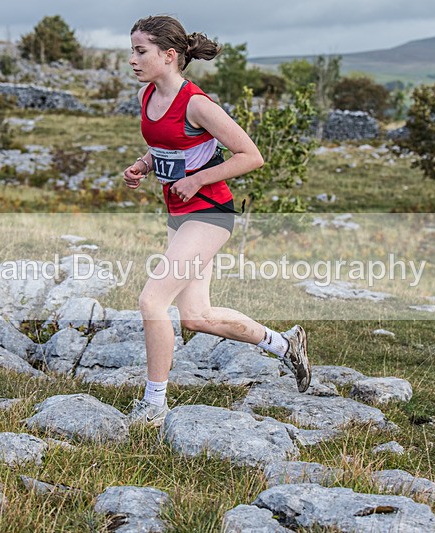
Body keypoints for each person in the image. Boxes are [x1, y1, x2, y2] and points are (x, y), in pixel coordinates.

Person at [121, 15, 311, 426]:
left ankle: (154, 405)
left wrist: (198, 180)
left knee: (152, 300)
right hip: (179, 214)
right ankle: (285, 345)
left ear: (169, 55)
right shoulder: (146, 96)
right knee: (196, 316)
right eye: (132, 51)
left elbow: (252, 156)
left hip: (209, 213)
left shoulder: (197, 104)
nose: (132, 59)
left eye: (140, 51)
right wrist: (143, 165)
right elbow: (167, 145)